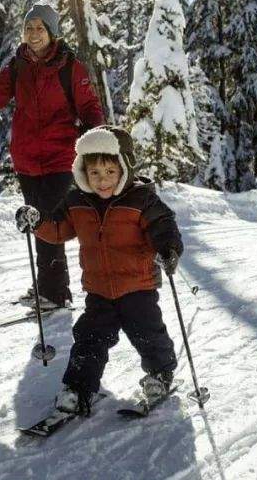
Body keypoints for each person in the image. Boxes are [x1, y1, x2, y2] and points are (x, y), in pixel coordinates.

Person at [15, 125, 183, 415]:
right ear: (82, 172)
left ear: (124, 169)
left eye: (109, 172)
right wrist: (37, 221)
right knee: (89, 341)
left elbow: (163, 226)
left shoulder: (141, 199)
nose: (102, 181)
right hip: (99, 291)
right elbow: (57, 229)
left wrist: (168, 250)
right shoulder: (77, 201)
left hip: (138, 288)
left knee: (149, 335)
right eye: (94, 173)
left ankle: (160, 375)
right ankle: (78, 388)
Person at [0, 4, 105, 308]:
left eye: (40, 28)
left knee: (45, 219)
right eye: (29, 28)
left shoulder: (71, 68)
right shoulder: (17, 65)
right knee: (39, 222)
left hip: (61, 159)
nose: (33, 34)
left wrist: (95, 137)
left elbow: (90, 108)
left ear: (52, 33)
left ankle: (55, 292)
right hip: (27, 161)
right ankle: (49, 287)